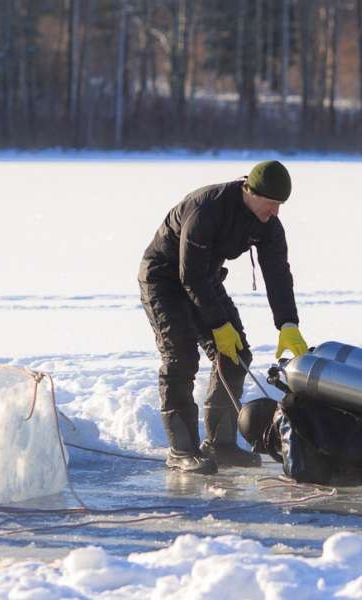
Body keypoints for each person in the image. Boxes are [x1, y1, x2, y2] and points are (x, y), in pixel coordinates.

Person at [138, 161, 308, 474]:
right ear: (250, 191)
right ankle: (181, 449)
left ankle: (221, 443)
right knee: (180, 359)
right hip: (164, 279)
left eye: (280, 205)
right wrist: (218, 324)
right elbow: (188, 275)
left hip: (205, 277)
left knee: (235, 353)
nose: (276, 212)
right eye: (271, 204)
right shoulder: (208, 208)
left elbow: (278, 273)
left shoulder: (268, 224)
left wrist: (287, 324)